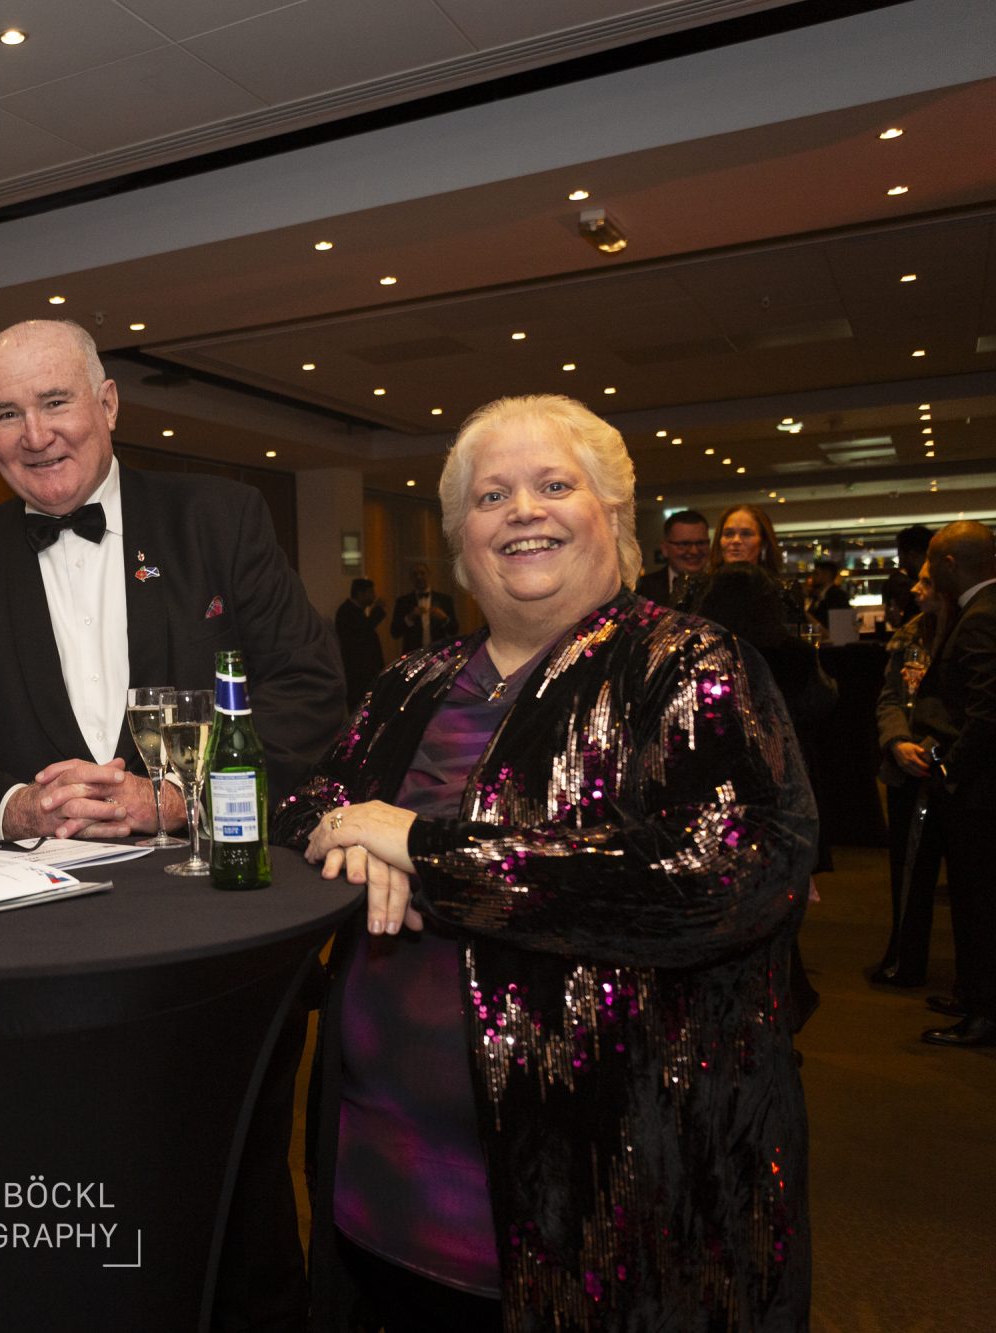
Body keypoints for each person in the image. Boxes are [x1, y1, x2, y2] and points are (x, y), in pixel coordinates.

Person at [275, 394, 813, 1331]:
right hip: (378, 1193)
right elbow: (308, 804)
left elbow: (726, 874)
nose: (522, 510)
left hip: (607, 1217)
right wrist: (353, 829)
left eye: (555, 485)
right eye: (492, 496)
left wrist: (427, 850)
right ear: (462, 538)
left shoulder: (686, 663)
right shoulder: (412, 681)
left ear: (614, 515)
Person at [0, 318, 340, 1332]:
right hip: (40, 957)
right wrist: (17, 803)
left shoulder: (218, 518)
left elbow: (309, 697)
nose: (35, 434)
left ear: (107, 404)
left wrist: (177, 797)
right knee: (72, 1211)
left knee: (236, 1203)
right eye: (6, 414)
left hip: (216, 940)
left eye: (54, 401)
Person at [697, 561, 834, 1033]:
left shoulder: (700, 652)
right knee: (776, 920)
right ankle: (778, 1018)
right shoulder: (791, 654)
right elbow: (821, 705)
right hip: (778, 794)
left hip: (721, 797)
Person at [905, 520, 996, 1047]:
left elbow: (987, 710)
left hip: (979, 792)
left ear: (949, 565)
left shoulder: (981, 616)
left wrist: (952, 770)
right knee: (972, 898)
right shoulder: (979, 609)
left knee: (978, 900)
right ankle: (973, 995)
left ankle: (984, 1011)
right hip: (977, 787)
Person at [873, 560, 951, 987]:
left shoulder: (970, 630)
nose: (916, 589)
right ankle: (904, 958)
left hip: (954, 768)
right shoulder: (911, 635)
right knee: (906, 872)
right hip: (906, 768)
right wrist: (898, 741)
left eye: (926, 582)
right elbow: (889, 698)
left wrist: (927, 745)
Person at [634, 507, 707, 608]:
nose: (694, 551)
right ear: (665, 548)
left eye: (701, 543)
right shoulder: (642, 588)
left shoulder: (720, 587)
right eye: (684, 544)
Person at [335, 577, 387, 710]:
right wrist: (378, 610)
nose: (374, 596)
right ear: (360, 593)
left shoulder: (355, 611)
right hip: (357, 673)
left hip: (364, 672)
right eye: (370, 592)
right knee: (359, 708)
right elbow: (363, 631)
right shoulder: (347, 611)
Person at [390, 563, 458, 657]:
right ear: (411, 578)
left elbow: (454, 630)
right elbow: (395, 633)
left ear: (429, 575)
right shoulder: (403, 602)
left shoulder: (444, 600)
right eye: (415, 574)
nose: (419, 577)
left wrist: (444, 618)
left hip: (438, 654)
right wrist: (409, 618)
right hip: (412, 655)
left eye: (422, 573)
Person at [882, 524, 934, 631]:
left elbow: (896, 620)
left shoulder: (899, 583)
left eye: (900, 554)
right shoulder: (944, 581)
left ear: (912, 554)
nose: (900, 561)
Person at [804, 559, 852, 634]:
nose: (812, 577)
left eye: (816, 574)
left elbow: (836, 629)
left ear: (827, 576)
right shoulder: (818, 597)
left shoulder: (837, 596)